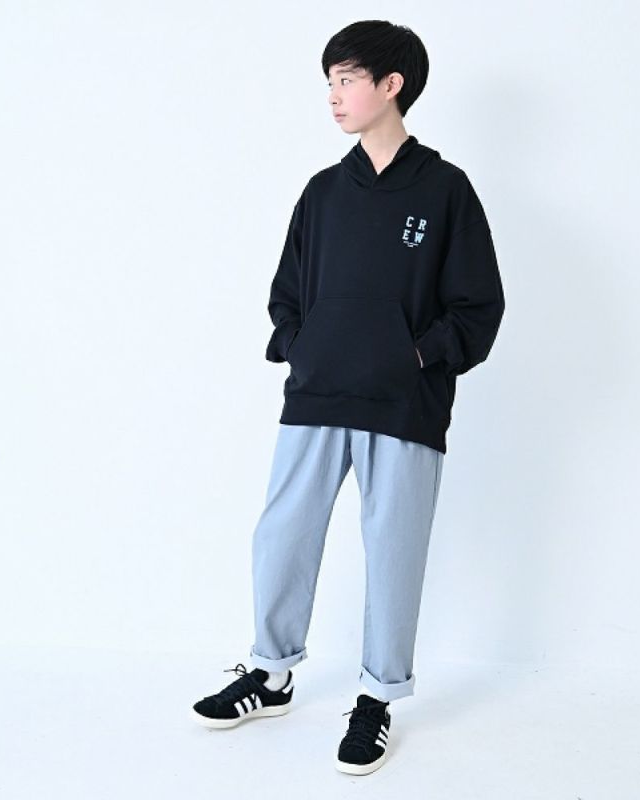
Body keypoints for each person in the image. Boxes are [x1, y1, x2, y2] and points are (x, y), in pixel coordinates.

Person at [190, 19, 505, 775]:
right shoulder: (324, 192)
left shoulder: (445, 190)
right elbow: (287, 292)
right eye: (329, 81)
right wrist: (300, 347)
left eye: (346, 79)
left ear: (391, 85)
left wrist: (417, 357)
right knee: (282, 535)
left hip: (403, 406)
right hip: (317, 396)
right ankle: (271, 674)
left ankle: (377, 698)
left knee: (393, 551)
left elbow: (478, 307)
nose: (332, 95)